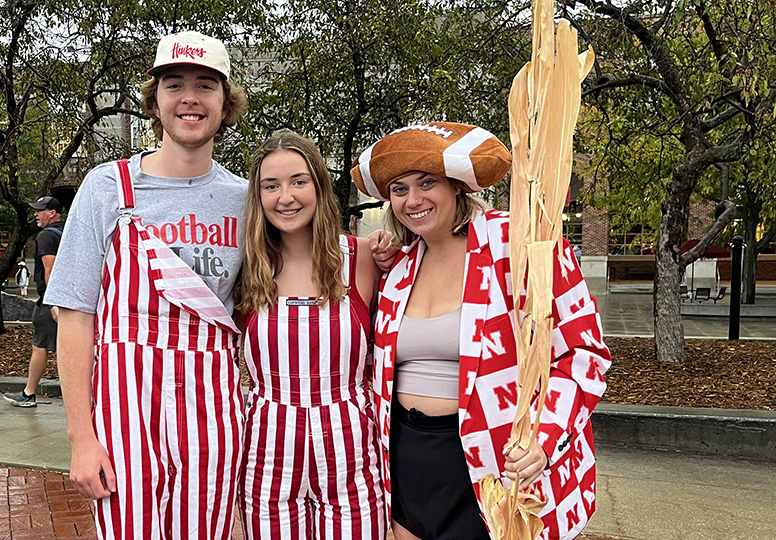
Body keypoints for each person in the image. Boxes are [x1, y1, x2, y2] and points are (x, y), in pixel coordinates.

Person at [350, 122, 612, 540]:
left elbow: (583, 353)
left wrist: (545, 438)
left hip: (495, 464)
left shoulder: (522, 244)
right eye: (398, 189)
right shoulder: (398, 269)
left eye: (426, 182)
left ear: (456, 185)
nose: (412, 200)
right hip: (406, 459)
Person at [44, 31, 250, 539]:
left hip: (213, 416)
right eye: (174, 84)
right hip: (123, 419)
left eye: (206, 86)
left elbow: (301, 271)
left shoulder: (246, 201)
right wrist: (81, 438)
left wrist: (371, 252)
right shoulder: (107, 187)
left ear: (226, 105)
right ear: (154, 102)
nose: (190, 98)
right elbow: (73, 314)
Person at [235, 131, 385, 539]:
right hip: (268, 455)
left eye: (299, 181)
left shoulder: (363, 257)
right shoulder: (245, 268)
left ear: (319, 185)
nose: (286, 197)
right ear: (258, 196)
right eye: (271, 186)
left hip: (351, 450)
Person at [4, 195, 64, 407]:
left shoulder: (47, 236)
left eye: (40, 210)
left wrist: (53, 302)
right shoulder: (67, 232)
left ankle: (29, 394)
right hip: (71, 299)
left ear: (52, 213)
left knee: (41, 345)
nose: (36, 214)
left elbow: (51, 270)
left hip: (51, 301)